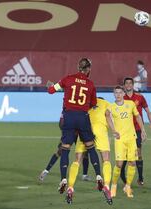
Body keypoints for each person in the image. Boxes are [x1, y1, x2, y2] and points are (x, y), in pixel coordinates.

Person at [47, 58, 110, 204]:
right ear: (88, 69)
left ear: (78, 67)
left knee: (65, 148)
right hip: (82, 117)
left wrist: (51, 86)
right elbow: (93, 104)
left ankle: (63, 179)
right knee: (90, 147)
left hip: (68, 116)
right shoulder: (90, 84)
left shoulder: (67, 79)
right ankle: (99, 176)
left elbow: (51, 91)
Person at [66, 97, 118, 205]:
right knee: (106, 159)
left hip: (85, 129)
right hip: (100, 131)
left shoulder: (84, 102)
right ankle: (107, 186)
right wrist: (113, 130)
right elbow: (108, 116)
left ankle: (70, 187)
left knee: (77, 160)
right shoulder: (106, 103)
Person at [105, 86, 147, 198]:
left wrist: (143, 130)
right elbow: (107, 116)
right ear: (113, 94)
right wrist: (113, 130)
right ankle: (113, 186)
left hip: (131, 138)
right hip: (120, 139)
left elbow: (138, 117)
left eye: (120, 92)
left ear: (123, 93)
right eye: (116, 93)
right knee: (119, 164)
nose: (118, 94)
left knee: (132, 163)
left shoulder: (130, 104)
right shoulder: (111, 106)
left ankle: (128, 186)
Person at [120, 77, 151, 186]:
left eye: (131, 83)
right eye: (127, 83)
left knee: (138, 154)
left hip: (138, 130)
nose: (129, 85)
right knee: (125, 154)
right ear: (124, 85)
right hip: (125, 131)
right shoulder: (121, 98)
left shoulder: (140, 97)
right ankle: (122, 175)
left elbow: (148, 111)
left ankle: (140, 177)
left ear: (133, 85)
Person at [38, 113, 92, 182]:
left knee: (84, 152)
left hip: (77, 134)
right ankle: (46, 171)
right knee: (61, 151)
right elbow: (61, 124)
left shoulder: (74, 108)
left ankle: (85, 175)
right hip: (71, 133)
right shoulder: (68, 109)